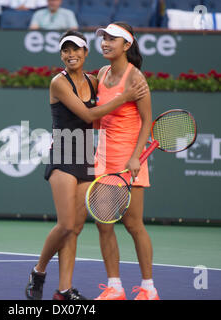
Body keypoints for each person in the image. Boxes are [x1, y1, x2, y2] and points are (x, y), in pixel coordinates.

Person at [25, 30, 147, 300]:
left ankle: (64, 290)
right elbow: (89, 114)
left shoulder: (95, 81)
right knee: (67, 224)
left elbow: (109, 107)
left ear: (85, 53)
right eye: (66, 51)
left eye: (76, 50)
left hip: (86, 158)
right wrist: (124, 97)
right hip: (63, 156)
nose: (71, 55)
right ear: (61, 55)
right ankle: (38, 271)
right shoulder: (59, 82)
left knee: (76, 228)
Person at [93, 22, 160, 300]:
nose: (106, 43)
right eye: (104, 38)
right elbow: (99, 117)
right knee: (103, 224)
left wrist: (135, 157)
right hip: (103, 158)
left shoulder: (136, 79)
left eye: (113, 39)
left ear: (127, 45)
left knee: (133, 225)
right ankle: (115, 287)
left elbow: (147, 122)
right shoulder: (102, 72)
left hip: (129, 160)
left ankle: (148, 288)